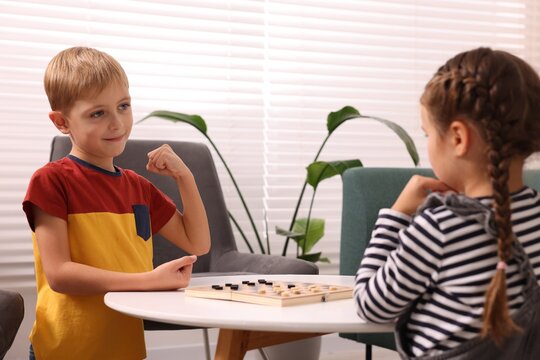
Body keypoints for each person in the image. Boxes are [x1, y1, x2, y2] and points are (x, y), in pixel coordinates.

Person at [22, 47, 211, 360]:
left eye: (123, 106)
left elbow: (198, 243)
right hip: (66, 349)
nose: (117, 123)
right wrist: (147, 281)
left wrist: (185, 177)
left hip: (125, 348)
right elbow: (59, 274)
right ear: (61, 122)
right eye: (98, 113)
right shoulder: (51, 181)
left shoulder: (139, 187)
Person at [354, 47, 540, 358]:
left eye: (427, 134)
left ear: (457, 137)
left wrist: (396, 214)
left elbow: (370, 305)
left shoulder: (439, 228)